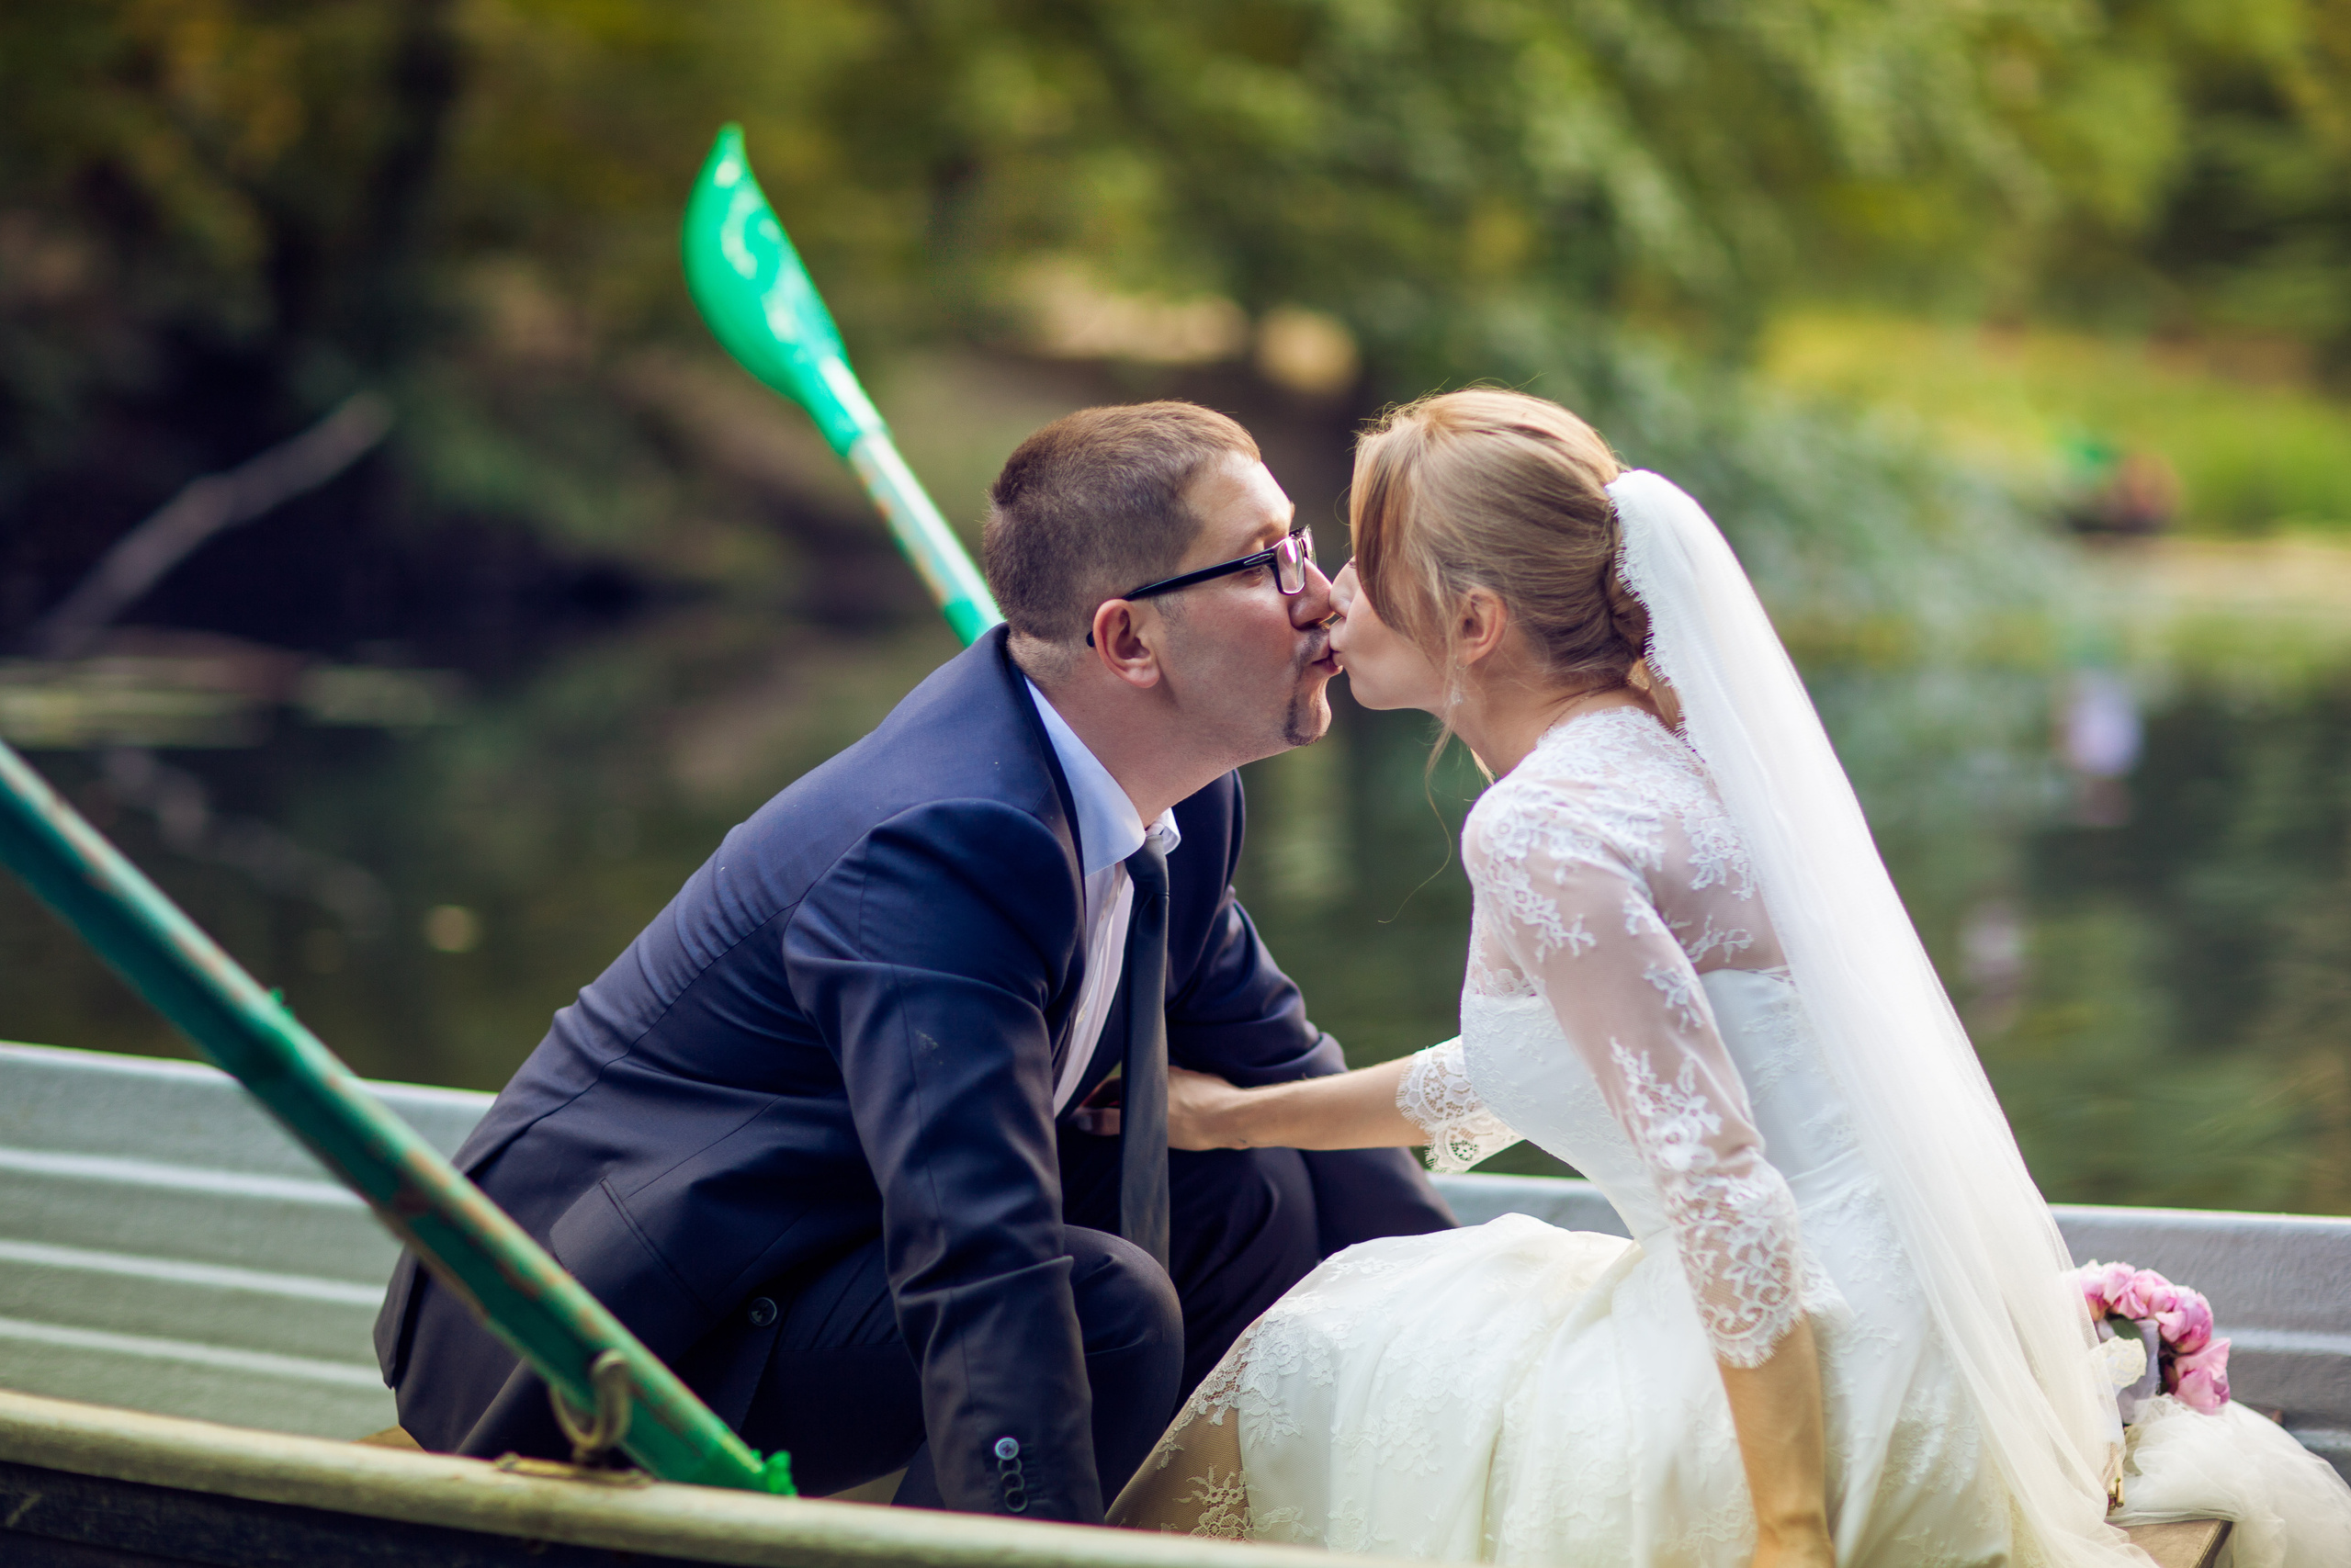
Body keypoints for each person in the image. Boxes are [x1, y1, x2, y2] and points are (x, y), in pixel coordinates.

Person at [1110, 390, 2351, 1566]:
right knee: (1366, 1324)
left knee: (1328, 1349)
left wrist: (1791, 1529)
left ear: (1475, 624)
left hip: (1816, 1371)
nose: (1322, 596)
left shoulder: (1542, 824)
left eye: (1363, 565)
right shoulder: (1652, 748)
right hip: (1923, 1317)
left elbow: (1721, 1185)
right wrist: (1234, 1115)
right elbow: (1554, 1068)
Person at [373, 401, 1453, 1521]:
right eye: (1264, 563)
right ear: (1128, 642)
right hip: (599, 1322)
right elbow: (979, 1257)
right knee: (1100, 1310)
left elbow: (1285, 1069)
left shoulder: (1183, 800)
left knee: (1254, 1194)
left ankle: (1192, 1529)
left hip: (837, 1230)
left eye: (1302, 547)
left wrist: (1459, 1327)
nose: (1319, 596)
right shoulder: (945, 849)